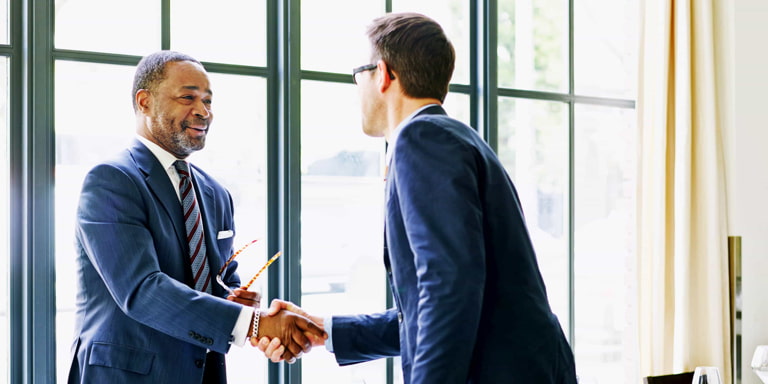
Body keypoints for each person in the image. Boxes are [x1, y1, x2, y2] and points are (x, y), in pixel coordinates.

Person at [257, 12, 578, 384]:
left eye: (357, 76)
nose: (356, 88)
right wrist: (324, 329)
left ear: (383, 74)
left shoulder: (421, 139)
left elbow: (448, 288)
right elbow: (440, 304)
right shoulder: (454, 138)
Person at [68, 50, 324, 384]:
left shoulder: (216, 193)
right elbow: (142, 290)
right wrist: (255, 323)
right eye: (188, 97)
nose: (203, 111)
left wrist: (239, 302)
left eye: (208, 100)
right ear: (144, 101)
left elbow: (224, 279)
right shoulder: (112, 180)